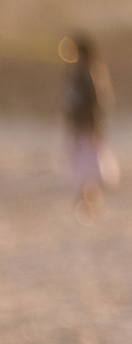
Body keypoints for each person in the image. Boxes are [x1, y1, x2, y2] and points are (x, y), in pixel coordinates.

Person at [64, 32, 116, 219]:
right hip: (81, 125)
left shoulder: (88, 74)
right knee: (83, 163)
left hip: (86, 126)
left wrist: (94, 126)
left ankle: (89, 203)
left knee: (87, 165)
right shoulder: (79, 73)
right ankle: (86, 202)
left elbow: (95, 102)